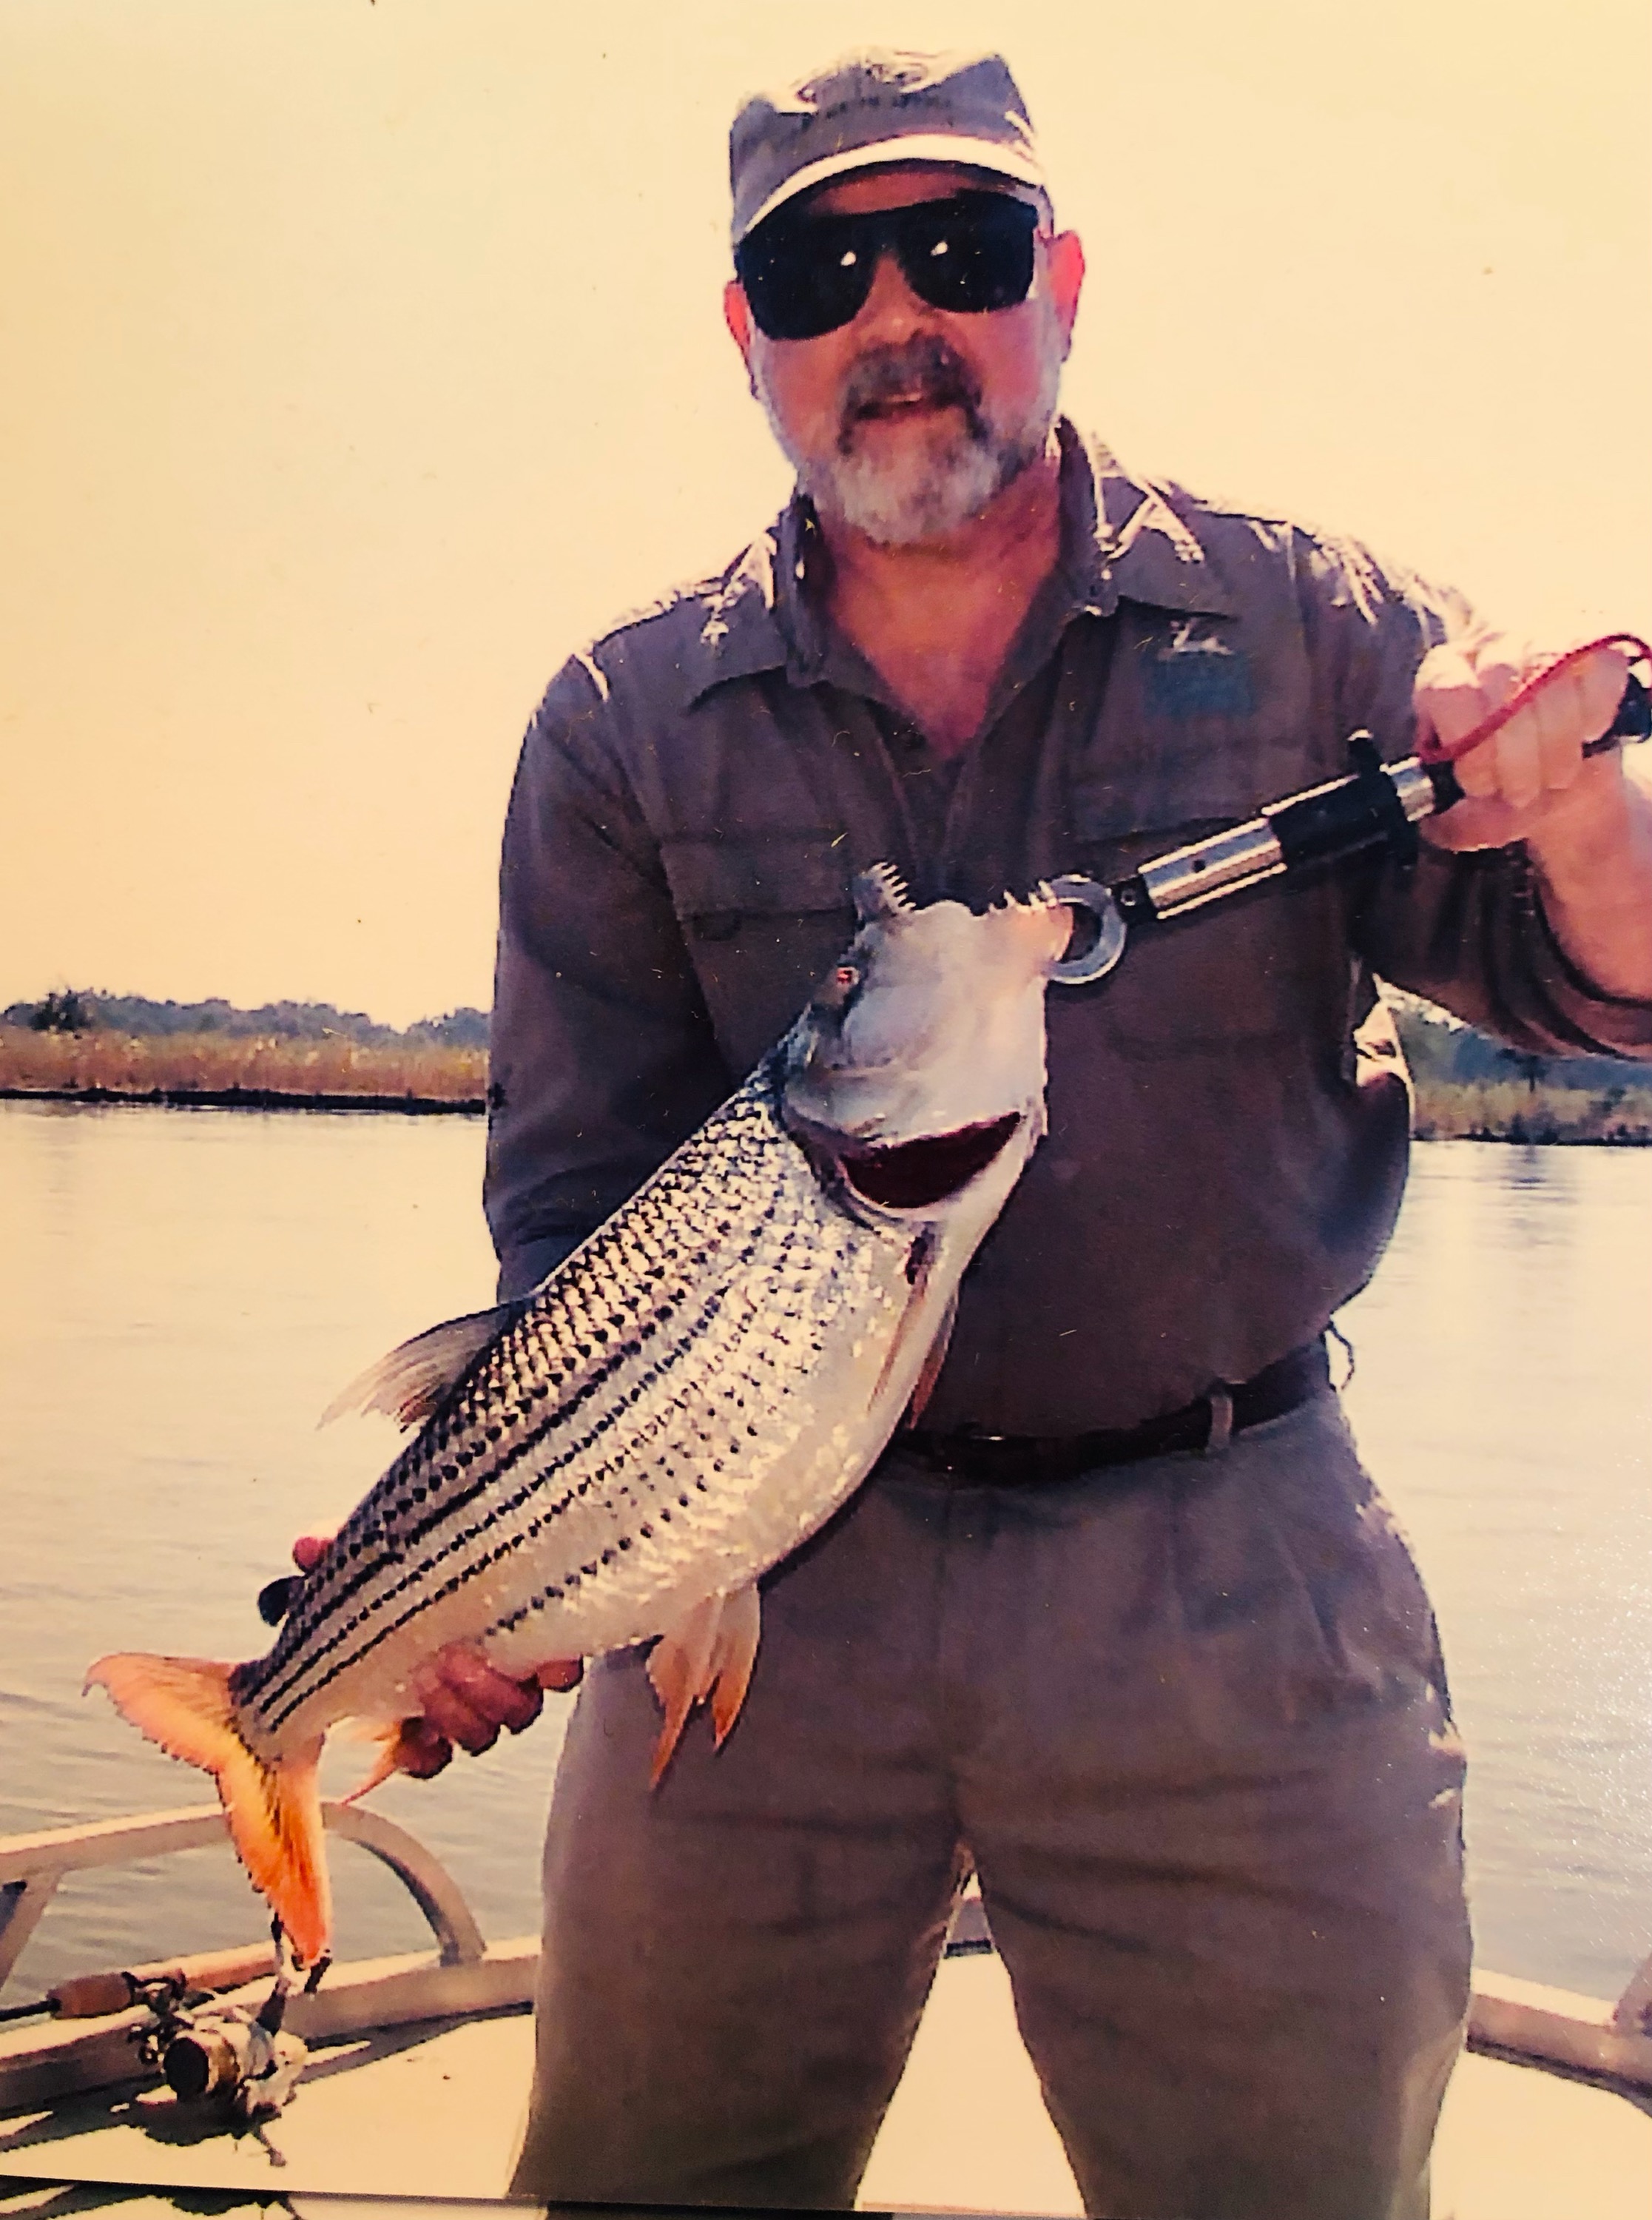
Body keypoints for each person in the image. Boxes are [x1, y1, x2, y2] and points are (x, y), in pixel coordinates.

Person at [304, 48, 1652, 2220]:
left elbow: (1612, 996)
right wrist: (484, 1575)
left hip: (1227, 1576)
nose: (893, 313)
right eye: (816, 266)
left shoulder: (1310, 623)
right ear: (745, 336)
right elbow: (570, 1234)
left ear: (1066, 285)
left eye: (961, 247)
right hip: (739, 1591)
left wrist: (1585, 806)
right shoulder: (619, 725)